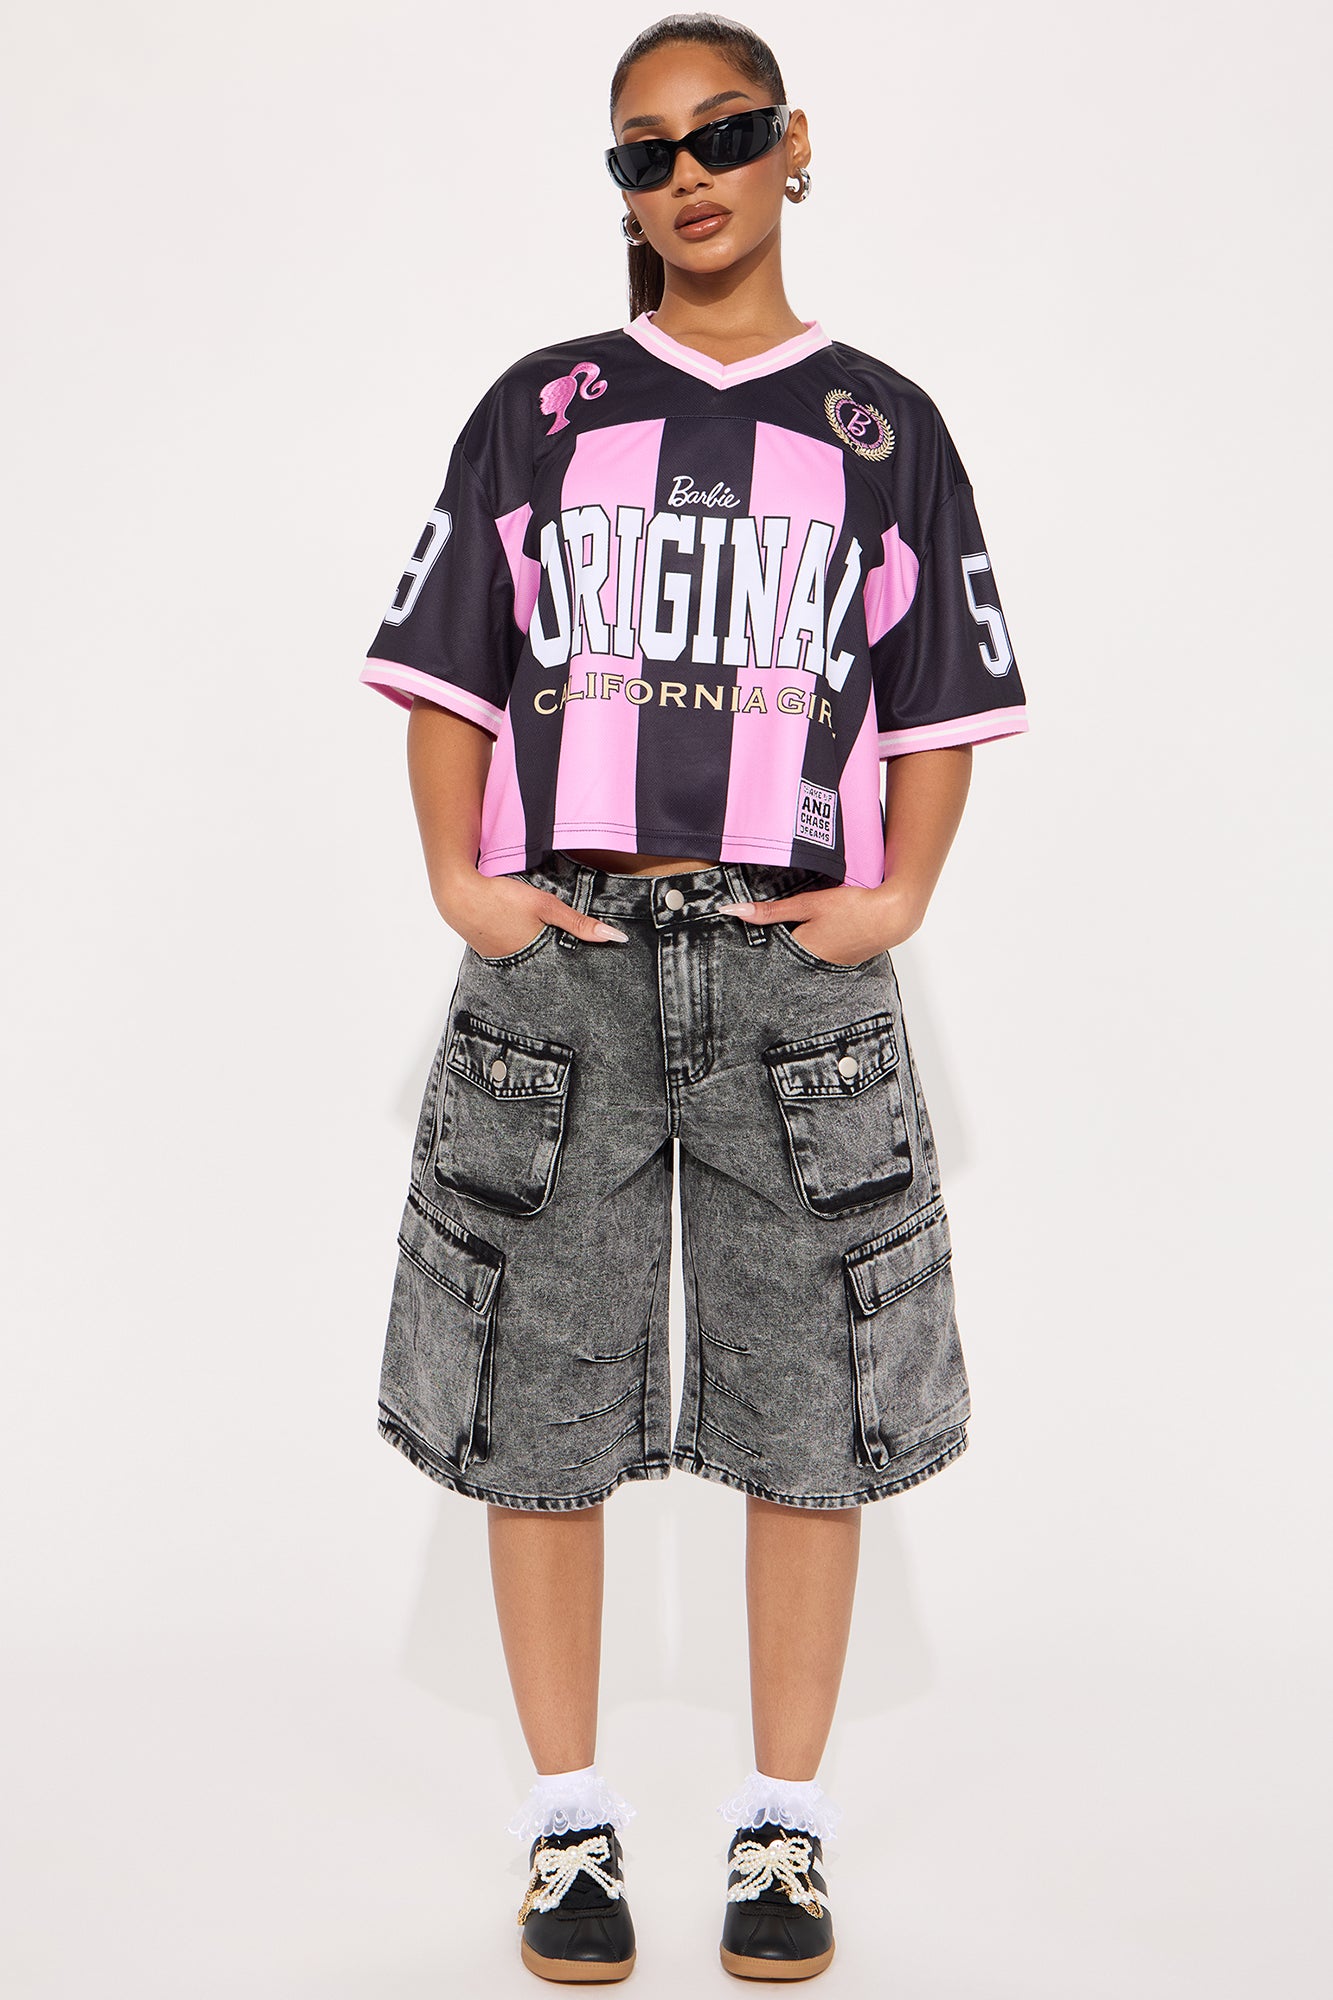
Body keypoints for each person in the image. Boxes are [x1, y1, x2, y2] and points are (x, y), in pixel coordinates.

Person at [360, 12, 1028, 1984]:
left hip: (789, 986)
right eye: (643, 152)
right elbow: (452, 665)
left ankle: (782, 1831)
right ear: (621, 189)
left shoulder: (882, 429)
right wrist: (464, 888)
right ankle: (566, 1827)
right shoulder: (545, 411)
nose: (688, 177)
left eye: (722, 134)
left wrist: (892, 899)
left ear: (791, 144)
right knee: (538, 1403)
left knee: (809, 1402)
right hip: (561, 972)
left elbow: (939, 699)